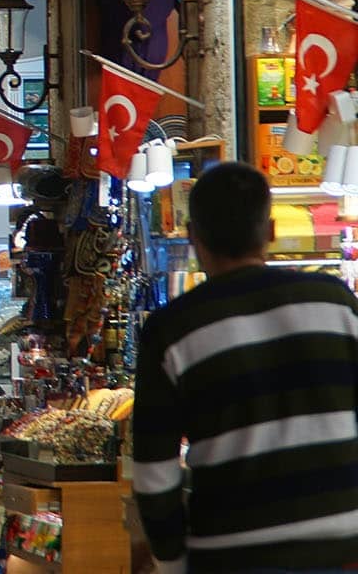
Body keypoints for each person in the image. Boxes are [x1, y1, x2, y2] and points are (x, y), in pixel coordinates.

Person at [135, 162, 358, 573]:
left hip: (231, 556)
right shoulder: (335, 303)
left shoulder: (172, 330)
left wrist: (172, 564)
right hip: (343, 551)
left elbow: (154, 473)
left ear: (193, 236)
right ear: (269, 231)